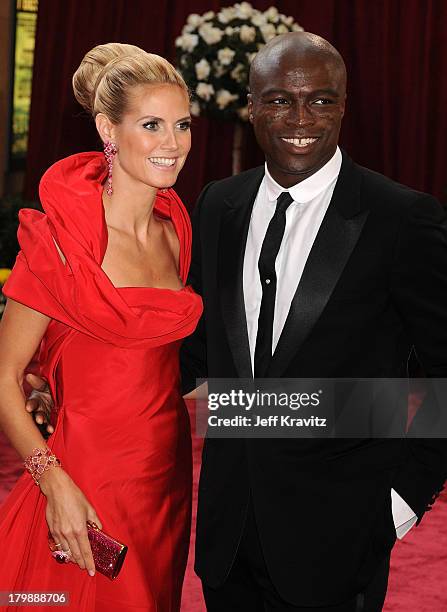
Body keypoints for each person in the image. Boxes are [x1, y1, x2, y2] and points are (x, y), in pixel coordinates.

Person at [26, 32, 447, 611]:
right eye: (279, 100)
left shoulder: (402, 219)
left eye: (321, 100)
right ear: (250, 105)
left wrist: (399, 501)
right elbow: (189, 352)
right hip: (225, 538)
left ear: (344, 105)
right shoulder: (218, 206)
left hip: (341, 539)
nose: (300, 117)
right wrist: (62, 380)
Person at [0, 43, 202, 611]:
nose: (173, 143)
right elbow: (3, 376)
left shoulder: (176, 231)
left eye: (182, 124)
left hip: (164, 479)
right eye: (152, 125)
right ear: (107, 129)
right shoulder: (60, 240)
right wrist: (53, 482)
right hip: (81, 478)